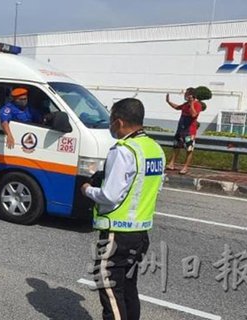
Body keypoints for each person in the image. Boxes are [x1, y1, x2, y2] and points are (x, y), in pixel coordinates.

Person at [81, 98, 165, 320]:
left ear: (118, 122)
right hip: (140, 233)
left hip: (117, 234)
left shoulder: (124, 150)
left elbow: (110, 195)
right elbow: (154, 188)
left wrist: (88, 190)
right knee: (127, 287)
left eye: (110, 121)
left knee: (109, 287)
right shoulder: (154, 148)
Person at [165, 88, 202, 174]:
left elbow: (194, 114)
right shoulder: (185, 104)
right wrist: (168, 102)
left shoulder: (197, 104)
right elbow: (177, 107)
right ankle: (171, 163)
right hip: (180, 129)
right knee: (176, 147)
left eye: (187, 94)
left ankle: (185, 167)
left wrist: (192, 103)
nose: (185, 95)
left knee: (189, 149)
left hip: (190, 131)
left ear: (192, 95)